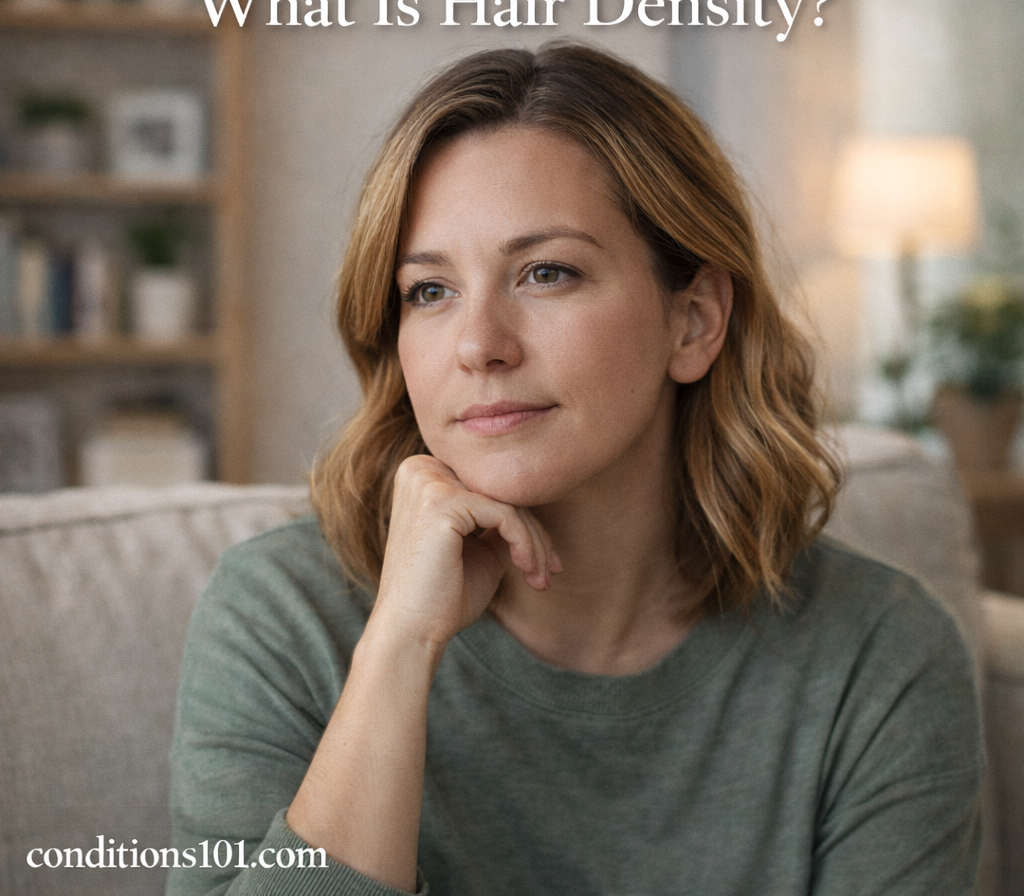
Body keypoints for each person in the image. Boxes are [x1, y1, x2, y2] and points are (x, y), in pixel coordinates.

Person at [168, 43, 984, 896]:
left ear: (694, 321)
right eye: (429, 292)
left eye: (546, 273)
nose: (480, 345)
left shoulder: (879, 655)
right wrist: (399, 652)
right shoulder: (278, 618)